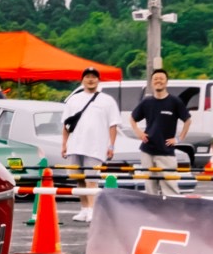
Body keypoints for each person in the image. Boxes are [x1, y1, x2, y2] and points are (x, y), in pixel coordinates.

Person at [61, 65, 118, 222]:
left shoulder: (107, 100)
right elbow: (66, 124)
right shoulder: (73, 99)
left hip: (95, 147)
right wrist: (64, 144)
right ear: (82, 80)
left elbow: (113, 125)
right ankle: (84, 209)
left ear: (98, 80)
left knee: (91, 179)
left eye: (94, 77)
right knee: (78, 178)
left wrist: (111, 145)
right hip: (75, 145)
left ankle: (93, 210)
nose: (91, 79)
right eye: (87, 77)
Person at [125, 68, 191, 198]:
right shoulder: (147, 101)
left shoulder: (175, 101)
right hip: (147, 150)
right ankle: (152, 214)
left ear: (166, 82)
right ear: (151, 83)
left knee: (170, 184)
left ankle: (173, 213)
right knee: (150, 186)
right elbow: (132, 118)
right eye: (155, 79)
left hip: (166, 151)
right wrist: (139, 132)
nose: (158, 81)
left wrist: (179, 139)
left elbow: (187, 120)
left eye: (161, 79)